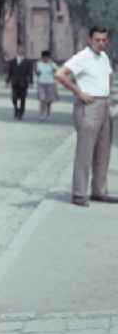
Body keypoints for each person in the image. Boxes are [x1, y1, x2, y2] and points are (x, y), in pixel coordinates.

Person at [55, 26, 117, 207]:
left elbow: (108, 78)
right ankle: (79, 194)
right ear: (90, 40)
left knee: (103, 152)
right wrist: (79, 93)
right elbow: (60, 74)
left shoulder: (104, 57)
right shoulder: (83, 57)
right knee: (85, 152)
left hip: (104, 105)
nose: (101, 43)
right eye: (97, 40)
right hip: (88, 106)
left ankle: (99, 191)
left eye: (104, 40)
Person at [5, 45, 33, 120]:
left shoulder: (28, 62)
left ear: (24, 52)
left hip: (24, 83)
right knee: (14, 98)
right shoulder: (12, 61)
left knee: (23, 99)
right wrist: (7, 81)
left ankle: (21, 112)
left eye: (22, 50)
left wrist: (31, 82)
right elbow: (9, 72)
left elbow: (30, 73)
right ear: (17, 51)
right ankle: (16, 109)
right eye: (19, 50)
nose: (20, 51)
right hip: (14, 82)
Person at [35, 50, 59, 119]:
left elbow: (57, 72)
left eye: (47, 57)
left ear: (49, 57)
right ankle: (41, 114)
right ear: (42, 57)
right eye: (44, 57)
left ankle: (48, 113)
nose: (45, 59)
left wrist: (53, 69)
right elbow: (37, 73)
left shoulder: (52, 64)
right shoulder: (38, 64)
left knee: (48, 100)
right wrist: (37, 72)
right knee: (42, 99)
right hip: (41, 83)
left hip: (50, 83)